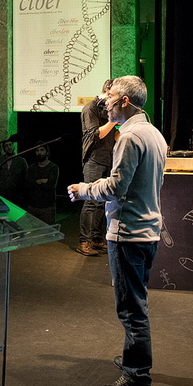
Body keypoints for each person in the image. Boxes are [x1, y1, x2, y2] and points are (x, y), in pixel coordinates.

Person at [66, 75, 166, 386]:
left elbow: (115, 188)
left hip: (127, 234)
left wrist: (83, 190)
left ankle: (137, 375)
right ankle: (132, 359)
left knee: (130, 308)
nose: (103, 103)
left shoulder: (129, 138)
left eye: (108, 98)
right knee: (136, 301)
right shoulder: (154, 135)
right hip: (148, 232)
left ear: (124, 101)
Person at [78, 79, 116, 256]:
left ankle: (95, 238)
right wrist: (113, 121)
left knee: (102, 201)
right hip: (93, 159)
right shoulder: (90, 108)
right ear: (108, 91)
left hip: (108, 158)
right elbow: (95, 134)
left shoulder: (109, 110)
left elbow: (114, 135)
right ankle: (84, 240)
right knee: (91, 201)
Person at [24, 142, 59, 224]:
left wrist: (35, 182)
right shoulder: (31, 168)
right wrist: (41, 181)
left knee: (47, 233)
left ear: (47, 152)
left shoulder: (53, 168)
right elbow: (27, 184)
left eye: (42, 150)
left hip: (47, 207)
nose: (39, 153)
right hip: (32, 206)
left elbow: (50, 186)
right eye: (37, 150)